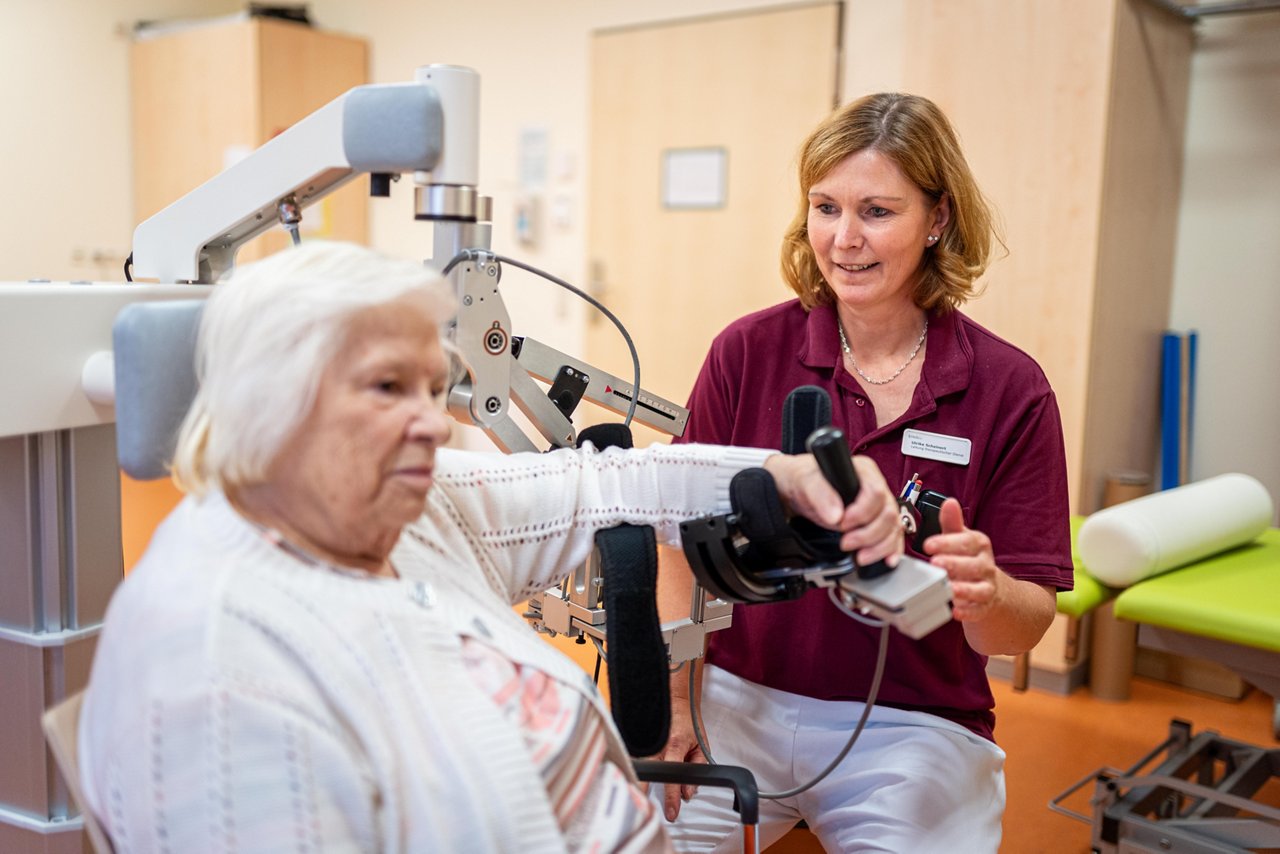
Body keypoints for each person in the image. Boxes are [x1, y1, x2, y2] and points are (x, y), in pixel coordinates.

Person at [77, 241, 905, 853]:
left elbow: (604, 486)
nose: (434, 423)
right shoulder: (219, 673)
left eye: (435, 389)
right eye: (387, 388)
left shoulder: (405, 509)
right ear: (271, 402)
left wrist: (783, 475)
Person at [653, 93, 1074, 852]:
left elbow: (1027, 620)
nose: (844, 240)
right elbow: (678, 540)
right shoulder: (746, 352)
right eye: (825, 207)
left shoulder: (1011, 388)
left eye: (877, 211)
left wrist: (984, 597)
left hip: (914, 727)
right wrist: (675, 702)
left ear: (937, 219)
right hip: (735, 698)